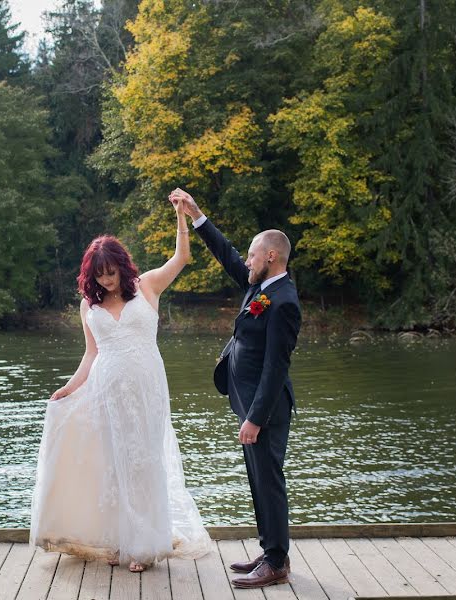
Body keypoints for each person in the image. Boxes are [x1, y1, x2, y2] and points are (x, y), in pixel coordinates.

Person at [29, 198, 212, 573]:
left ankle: (144, 544)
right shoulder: (88, 307)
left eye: (111, 272)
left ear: (122, 267)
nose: (106, 281)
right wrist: (69, 387)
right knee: (114, 463)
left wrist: (181, 216)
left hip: (147, 386)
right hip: (107, 389)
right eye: (99, 276)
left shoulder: (147, 287)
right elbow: (90, 355)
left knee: (144, 460)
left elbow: (181, 259)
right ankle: (119, 540)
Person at [169, 188, 301, 589]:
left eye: (253, 255)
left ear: (271, 257)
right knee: (258, 479)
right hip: (248, 404)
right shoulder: (260, 288)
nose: (246, 260)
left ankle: (277, 562)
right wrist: (196, 214)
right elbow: (227, 254)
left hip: (266, 410)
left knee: (269, 479)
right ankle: (269, 550)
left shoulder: (283, 302)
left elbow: (277, 367)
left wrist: (255, 419)